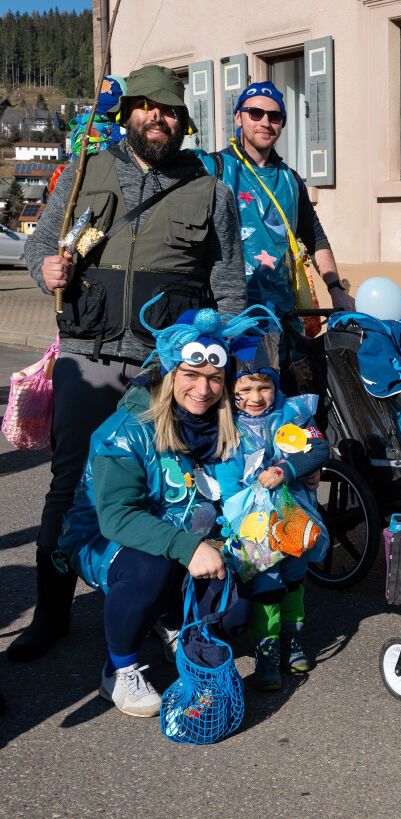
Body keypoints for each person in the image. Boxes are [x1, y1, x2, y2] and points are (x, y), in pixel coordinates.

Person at [15, 65, 246, 664]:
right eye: (146, 106)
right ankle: (51, 613)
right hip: (87, 360)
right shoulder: (85, 172)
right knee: (69, 488)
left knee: (169, 487)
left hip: (161, 372)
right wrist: (45, 272)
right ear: (127, 112)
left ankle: (162, 608)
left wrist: (228, 367)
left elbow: (228, 288)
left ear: (184, 121)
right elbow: (40, 245)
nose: (158, 118)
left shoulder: (211, 190)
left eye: (169, 110)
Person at [54, 304, 272, 716]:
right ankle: (119, 670)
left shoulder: (224, 429)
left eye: (213, 378)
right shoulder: (126, 431)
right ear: (170, 374)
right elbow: (116, 517)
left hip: (188, 537)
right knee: (148, 571)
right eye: (191, 376)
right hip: (108, 539)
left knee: (236, 613)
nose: (203, 390)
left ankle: (168, 615)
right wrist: (189, 549)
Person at [199, 81, 353, 381]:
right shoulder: (212, 169)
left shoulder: (290, 179)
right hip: (226, 320)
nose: (265, 122)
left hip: (282, 319)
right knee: (237, 406)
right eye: (255, 113)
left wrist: (336, 289)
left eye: (274, 116)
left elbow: (315, 236)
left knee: (281, 405)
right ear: (238, 117)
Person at [216, 332, 330, 690]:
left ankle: (291, 637)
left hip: (294, 515)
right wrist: (242, 509)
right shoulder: (227, 426)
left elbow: (318, 447)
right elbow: (226, 474)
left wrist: (286, 469)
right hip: (252, 522)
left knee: (295, 573)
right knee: (265, 580)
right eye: (244, 389)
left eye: (263, 387)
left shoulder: (291, 414)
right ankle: (266, 648)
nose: (255, 398)